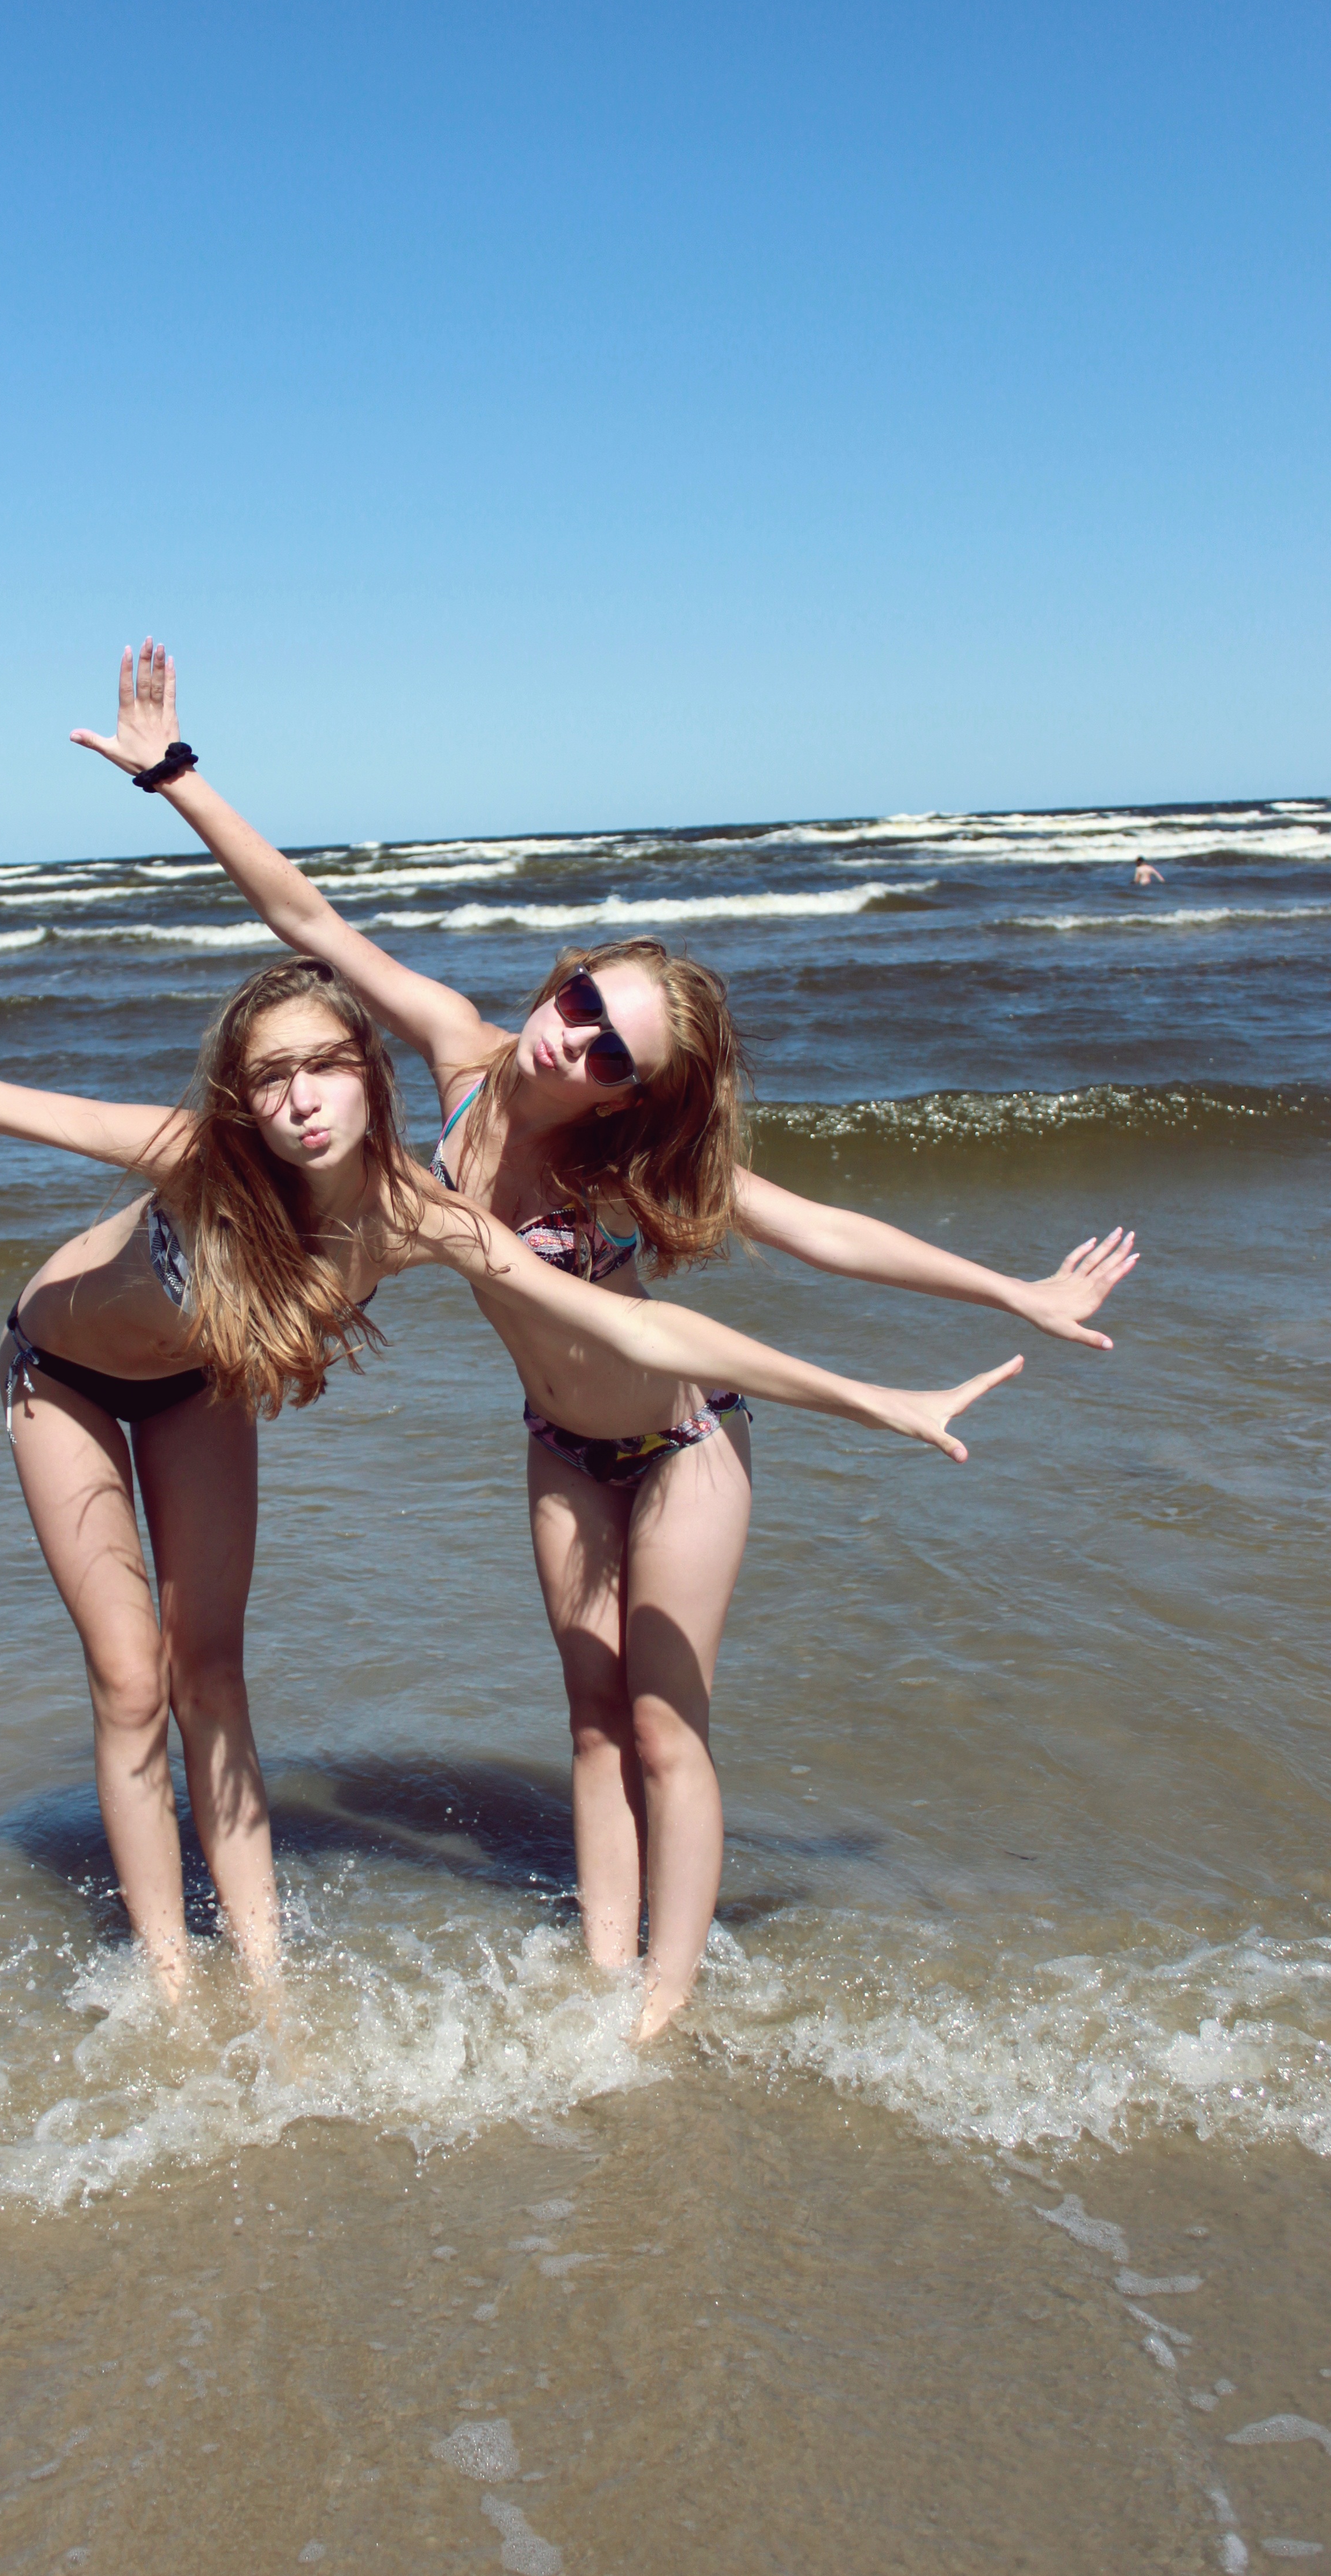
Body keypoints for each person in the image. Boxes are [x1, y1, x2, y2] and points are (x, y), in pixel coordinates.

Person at [76, 643, 1138, 2036]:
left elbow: (825, 1231)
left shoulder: (627, 1169)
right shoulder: (458, 1060)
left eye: (610, 1052)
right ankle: (601, 1977)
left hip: (685, 1442)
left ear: (633, 1091)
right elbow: (310, 920)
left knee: (663, 1726)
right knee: (590, 1720)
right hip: (560, 1451)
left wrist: (1016, 1294)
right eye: (580, 1004)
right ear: (562, 980)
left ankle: (664, 2008)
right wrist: (175, 777)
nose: (571, 1041)